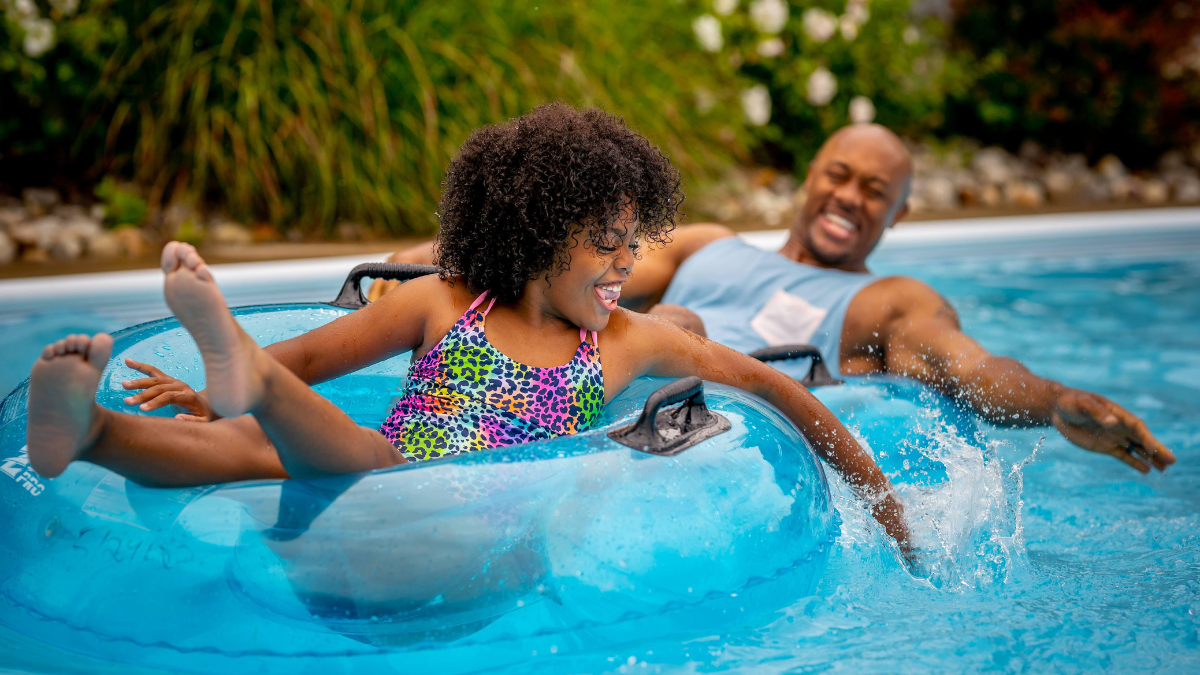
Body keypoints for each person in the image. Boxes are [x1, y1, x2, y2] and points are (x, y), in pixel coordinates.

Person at [25, 104, 912, 553]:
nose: (623, 267)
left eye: (630, 247)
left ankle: (240, 382)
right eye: (603, 248)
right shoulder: (442, 301)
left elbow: (771, 384)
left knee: (348, 450)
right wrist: (209, 398)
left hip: (478, 527)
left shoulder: (628, 342)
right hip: (378, 482)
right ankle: (92, 432)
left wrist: (883, 501)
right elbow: (304, 356)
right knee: (259, 448)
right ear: (533, 236)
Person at [366, 123, 1175, 474]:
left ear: (899, 215)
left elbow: (971, 368)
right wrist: (413, 267)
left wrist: (1055, 400)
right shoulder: (707, 242)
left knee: (669, 323)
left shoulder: (890, 300)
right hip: (594, 385)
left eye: (876, 191)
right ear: (810, 176)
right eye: (839, 175)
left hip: (708, 406)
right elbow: (553, 255)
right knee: (662, 318)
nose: (849, 197)